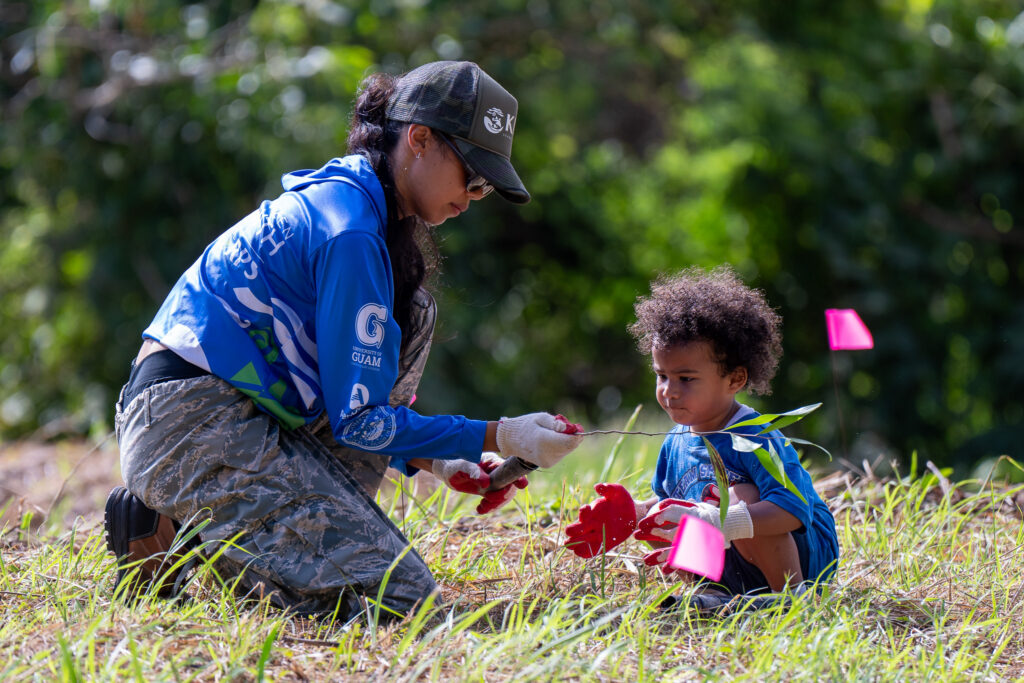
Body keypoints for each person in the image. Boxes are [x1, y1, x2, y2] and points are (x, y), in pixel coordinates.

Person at [105, 60, 583, 617]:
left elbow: (351, 397)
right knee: (401, 600)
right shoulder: (352, 232)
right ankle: (177, 522)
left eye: (486, 187)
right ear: (420, 139)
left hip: (235, 415)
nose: (475, 195)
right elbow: (360, 421)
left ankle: (180, 528)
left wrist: (439, 462)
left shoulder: (363, 204)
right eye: (472, 175)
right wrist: (500, 435)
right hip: (189, 419)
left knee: (416, 311)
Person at [563, 265, 838, 600]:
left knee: (738, 497)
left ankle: (791, 598)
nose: (669, 391)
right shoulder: (674, 441)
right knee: (664, 515)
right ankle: (714, 592)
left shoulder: (755, 437)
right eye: (661, 376)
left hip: (803, 560)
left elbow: (793, 510)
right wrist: (633, 514)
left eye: (686, 379)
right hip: (736, 564)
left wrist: (716, 520)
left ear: (735, 380)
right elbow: (672, 503)